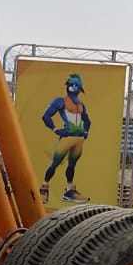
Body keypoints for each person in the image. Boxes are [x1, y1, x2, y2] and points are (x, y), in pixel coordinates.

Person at [40, 73, 91, 203]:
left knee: (72, 165)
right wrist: (55, 129)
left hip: (78, 139)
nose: (76, 89)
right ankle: (44, 188)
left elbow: (87, 121)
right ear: (69, 86)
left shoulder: (81, 105)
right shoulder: (60, 101)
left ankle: (69, 190)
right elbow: (46, 116)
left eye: (78, 87)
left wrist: (85, 131)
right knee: (55, 163)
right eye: (74, 86)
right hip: (67, 137)